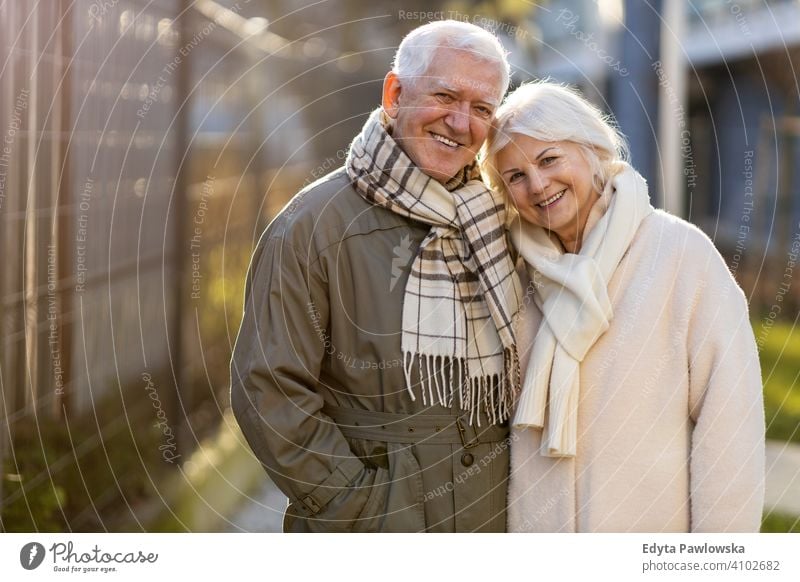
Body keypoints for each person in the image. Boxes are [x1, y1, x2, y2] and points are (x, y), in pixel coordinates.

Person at [230, 20, 522, 533]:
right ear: (395, 93)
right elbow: (269, 390)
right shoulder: (311, 225)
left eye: (482, 109)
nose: (460, 122)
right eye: (445, 95)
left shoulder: (500, 221)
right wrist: (360, 509)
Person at [480, 81, 765, 532]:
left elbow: (731, 430)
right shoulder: (511, 277)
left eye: (550, 159)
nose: (537, 184)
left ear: (592, 150)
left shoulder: (679, 254)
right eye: (515, 176)